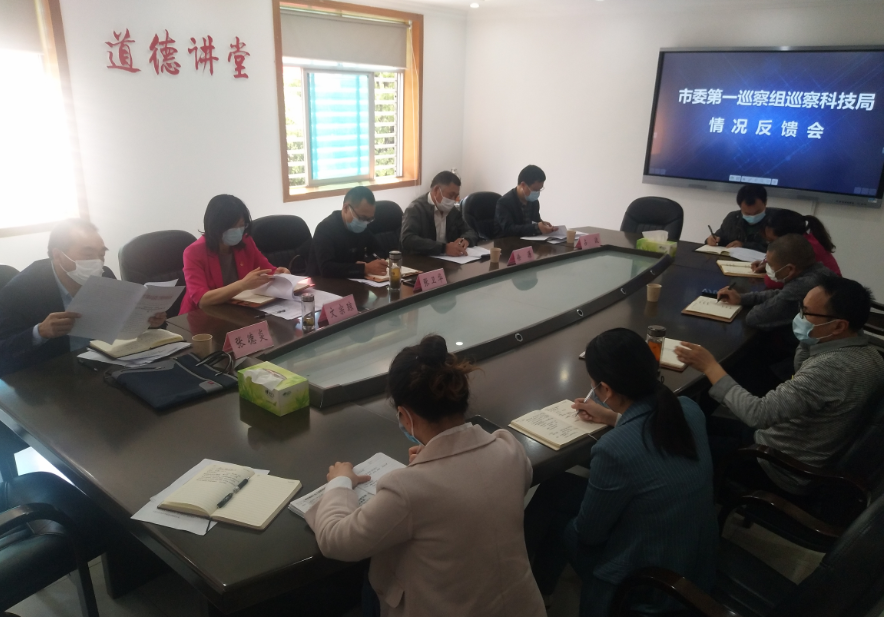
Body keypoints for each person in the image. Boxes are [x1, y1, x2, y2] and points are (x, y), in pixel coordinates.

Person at [305, 335, 545, 617]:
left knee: (372, 583)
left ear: (405, 415)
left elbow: (336, 540)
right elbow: (487, 483)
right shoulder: (508, 448)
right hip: (521, 607)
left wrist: (340, 482)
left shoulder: (407, 488)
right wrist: (437, 455)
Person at [524, 329, 717, 617]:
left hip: (650, 584)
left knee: (561, 512)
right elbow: (650, 432)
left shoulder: (613, 450)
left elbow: (589, 533)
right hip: (696, 560)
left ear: (605, 389)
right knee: (559, 490)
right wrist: (613, 417)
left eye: (594, 387)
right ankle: (541, 588)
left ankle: (534, 588)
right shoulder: (687, 409)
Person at [676, 277, 884, 496]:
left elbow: (758, 413)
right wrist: (810, 337)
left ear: (839, 326)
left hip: (776, 465)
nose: (799, 318)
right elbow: (801, 368)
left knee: (676, 444)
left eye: (806, 313)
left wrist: (710, 367)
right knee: (688, 423)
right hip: (784, 438)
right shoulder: (869, 353)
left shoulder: (831, 369)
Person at [0, 219, 166, 376]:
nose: (98, 262)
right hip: (50, 375)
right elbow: (4, 349)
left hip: (101, 364)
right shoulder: (20, 290)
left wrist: (149, 321)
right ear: (58, 255)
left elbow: (120, 324)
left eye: (101, 254)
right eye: (88, 254)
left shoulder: (105, 276)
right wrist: (39, 332)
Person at [181, 195, 289, 313]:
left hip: (236, 310)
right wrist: (242, 285)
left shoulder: (246, 241)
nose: (238, 231)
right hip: (200, 315)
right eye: (232, 227)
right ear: (215, 226)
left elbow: (267, 270)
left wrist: (278, 274)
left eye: (241, 225)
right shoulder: (193, 252)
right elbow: (202, 299)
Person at [717, 234, 834, 331]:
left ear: (789, 269)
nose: (767, 267)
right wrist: (741, 299)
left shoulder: (803, 285)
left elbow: (754, 317)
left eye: (770, 265)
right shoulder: (820, 271)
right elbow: (780, 294)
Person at [307, 186, 388, 279]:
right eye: (362, 218)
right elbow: (326, 268)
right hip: (322, 283)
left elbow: (380, 251)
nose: (365, 223)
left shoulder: (362, 227)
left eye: (369, 219)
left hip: (354, 281)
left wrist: (367, 262)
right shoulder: (325, 229)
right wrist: (364, 268)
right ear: (346, 208)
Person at [752, 209, 840, 289]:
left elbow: (772, 282)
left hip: (828, 295)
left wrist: (772, 269)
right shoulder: (804, 239)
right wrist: (769, 265)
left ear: (787, 239)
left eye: (773, 241)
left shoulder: (803, 249)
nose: (772, 245)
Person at [400, 171, 478, 256]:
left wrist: (466, 239)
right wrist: (444, 248)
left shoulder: (452, 211)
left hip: (449, 260)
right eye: (451, 195)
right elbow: (407, 239)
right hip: (422, 260)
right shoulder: (415, 209)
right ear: (436, 190)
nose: (453, 200)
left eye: (455, 196)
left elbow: (470, 231)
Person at [706, 184, 779, 251]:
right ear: (740, 207)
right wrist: (712, 239)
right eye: (747, 213)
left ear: (765, 202)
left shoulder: (778, 220)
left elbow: (780, 250)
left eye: (757, 212)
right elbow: (719, 236)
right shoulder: (732, 218)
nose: (752, 216)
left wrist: (744, 245)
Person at [495, 165, 556, 238]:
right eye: (535, 190)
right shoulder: (504, 202)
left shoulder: (534, 201)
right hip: (506, 242)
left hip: (528, 241)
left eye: (540, 189)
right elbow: (509, 229)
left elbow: (535, 221)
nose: (537, 193)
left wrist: (542, 225)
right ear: (523, 185)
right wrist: (536, 227)